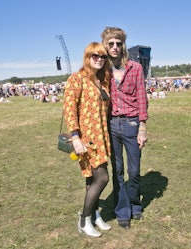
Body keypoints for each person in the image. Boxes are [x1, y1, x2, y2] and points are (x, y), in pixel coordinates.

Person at [101, 27, 148, 229]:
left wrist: (143, 127)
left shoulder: (135, 68)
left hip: (131, 124)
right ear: (105, 45)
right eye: (111, 43)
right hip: (111, 124)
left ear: (123, 45)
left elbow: (142, 98)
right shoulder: (102, 70)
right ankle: (122, 211)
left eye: (118, 43)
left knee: (134, 170)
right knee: (117, 170)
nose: (115, 47)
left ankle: (135, 205)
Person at [63, 42, 112, 238]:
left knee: (91, 179)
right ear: (87, 57)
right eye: (95, 56)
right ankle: (84, 220)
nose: (99, 59)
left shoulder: (102, 81)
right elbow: (69, 108)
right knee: (102, 177)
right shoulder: (77, 79)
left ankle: (94, 214)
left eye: (102, 56)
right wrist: (75, 136)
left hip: (102, 136)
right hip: (86, 139)